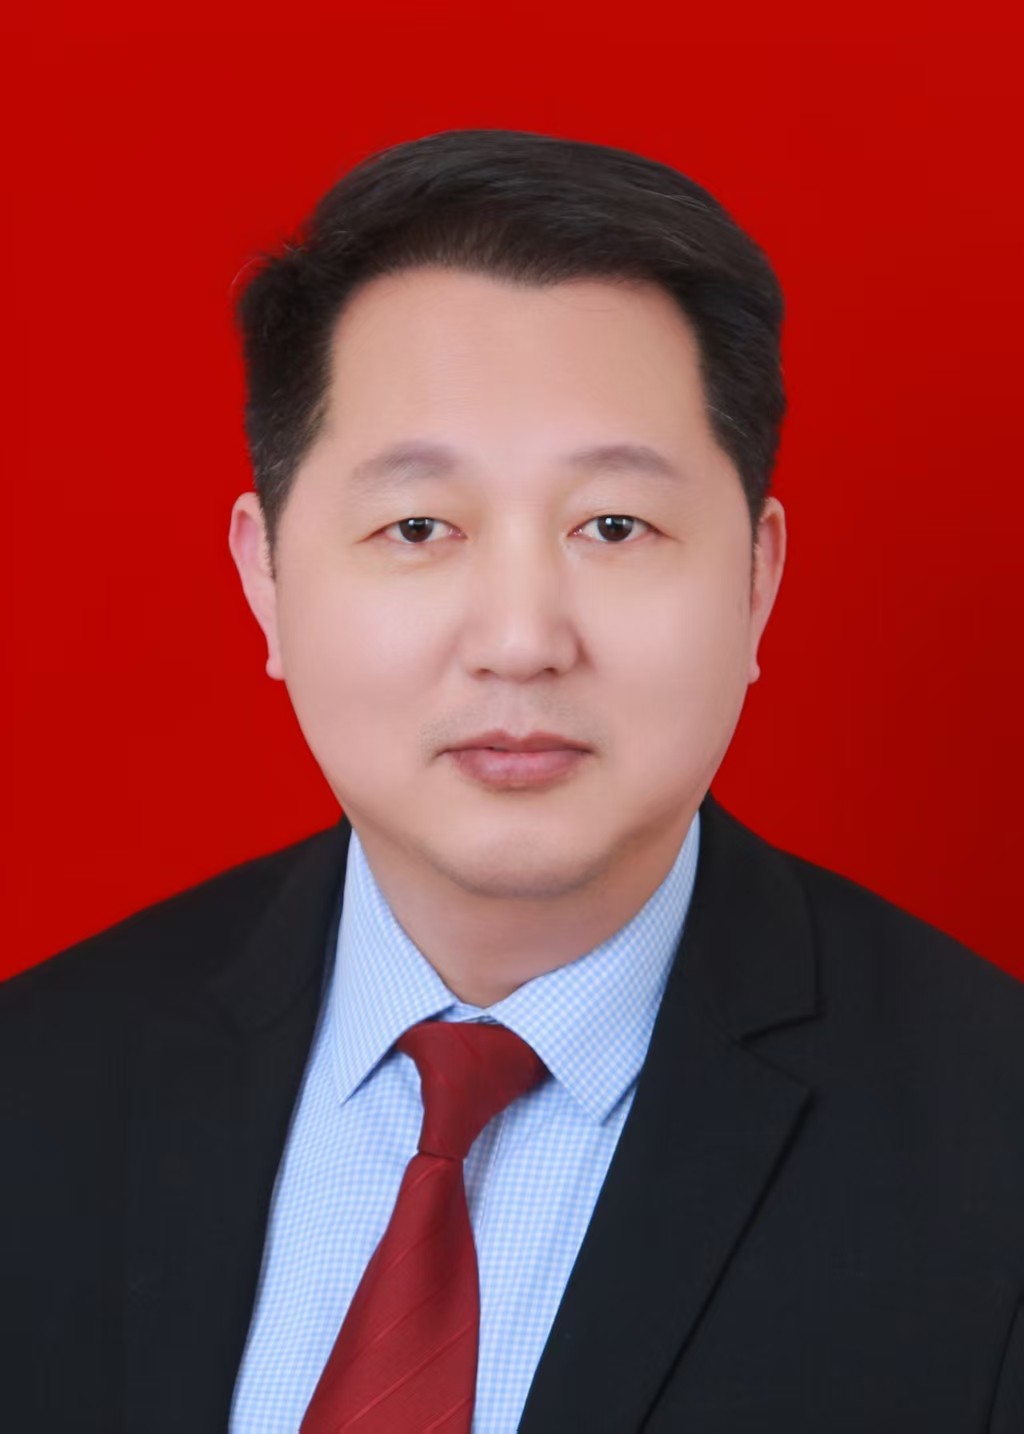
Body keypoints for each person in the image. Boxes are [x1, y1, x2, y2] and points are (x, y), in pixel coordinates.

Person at [2, 128, 1022, 1434]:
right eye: (419, 526)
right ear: (267, 579)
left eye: (615, 525)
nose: (523, 638)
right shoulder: (37, 1089)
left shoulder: (991, 1147)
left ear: (757, 579)